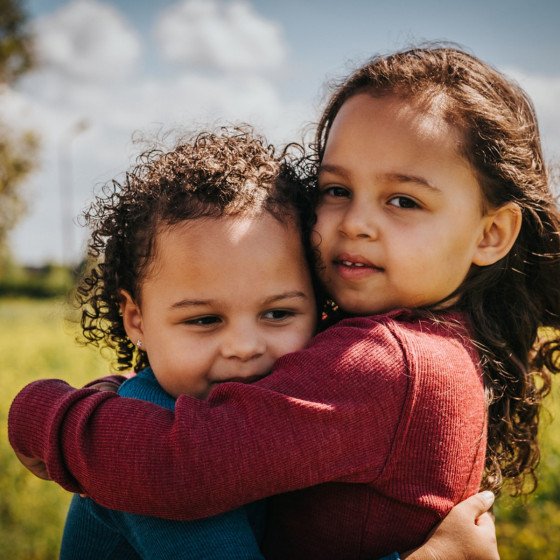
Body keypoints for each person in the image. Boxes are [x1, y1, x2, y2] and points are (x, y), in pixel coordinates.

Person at [10, 45, 560, 557]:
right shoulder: (439, 339)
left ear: (491, 233)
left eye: (403, 200)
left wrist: (45, 417)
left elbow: (182, 467)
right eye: (336, 190)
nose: (356, 223)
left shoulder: (385, 361)